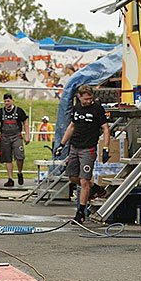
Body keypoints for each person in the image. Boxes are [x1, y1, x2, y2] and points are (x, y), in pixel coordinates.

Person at [54, 84, 111, 223]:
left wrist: (106, 148)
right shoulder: (77, 108)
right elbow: (72, 126)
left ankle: (80, 213)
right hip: (74, 147)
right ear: (79, 97)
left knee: (84, 181)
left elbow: (105, 129)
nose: (88, 101)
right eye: (85, 99)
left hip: (88, 148)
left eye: (90, 98)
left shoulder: (97, 108)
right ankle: (96, 188)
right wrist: (61, 145)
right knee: (73, 178)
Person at [0, 93, 30, 187]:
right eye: (5, 101)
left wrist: (27, 135)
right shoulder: (0, 112)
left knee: (19, 156)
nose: (6, 103)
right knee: (7, 158)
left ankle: (20, 172)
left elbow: (25, 122)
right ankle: (10, 179)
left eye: (8, 101)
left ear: (12, 100)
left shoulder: (19, 111)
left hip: (16, 136)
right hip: (5, 137)